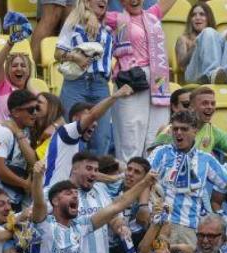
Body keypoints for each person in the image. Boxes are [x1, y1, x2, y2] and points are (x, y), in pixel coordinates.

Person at [149, 110, 227, 247]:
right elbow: (144, 178)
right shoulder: (161, 152)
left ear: (195, 131)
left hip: (189, 228)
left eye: (184, 129)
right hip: (160, 224)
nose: (178, 133)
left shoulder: (205, 159)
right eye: (175, 128)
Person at [102, 0, 177, 161]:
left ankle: (152, 179)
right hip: (131, 79)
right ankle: (129, 181)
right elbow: (88, 10)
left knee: (157, 136)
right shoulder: (114, 18)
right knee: (130, 137)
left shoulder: (153, 15)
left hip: (158, 79)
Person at [55, 0, 114, 155]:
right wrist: (76, 57)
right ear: (87, 2)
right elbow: (58, 53)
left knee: (101, 137)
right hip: (76, 83)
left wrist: (92, 16)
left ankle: (97, 177)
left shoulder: (111, 23)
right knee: (71, 132)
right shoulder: (73, 22)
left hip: (100, 84)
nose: (104, 1)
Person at [175, 2, 227, 84]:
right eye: (194, 15)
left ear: (208, 18)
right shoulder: (183, 39)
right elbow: (181, 65)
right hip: (193, 76)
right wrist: (194, 47)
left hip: (217, 74)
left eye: (202, 14)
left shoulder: (213, 36)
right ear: (190, 19)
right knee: (208, 31)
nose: (197, 18)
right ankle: (211, 74)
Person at [0, 39, 33, 123]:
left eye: (23, 65)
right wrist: (10, 43)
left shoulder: (32, 93)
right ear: (8, 70)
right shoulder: (2, 87)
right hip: (4, 134)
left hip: (25, 135)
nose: (19, 68)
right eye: (14, 65)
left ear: (29, 71)